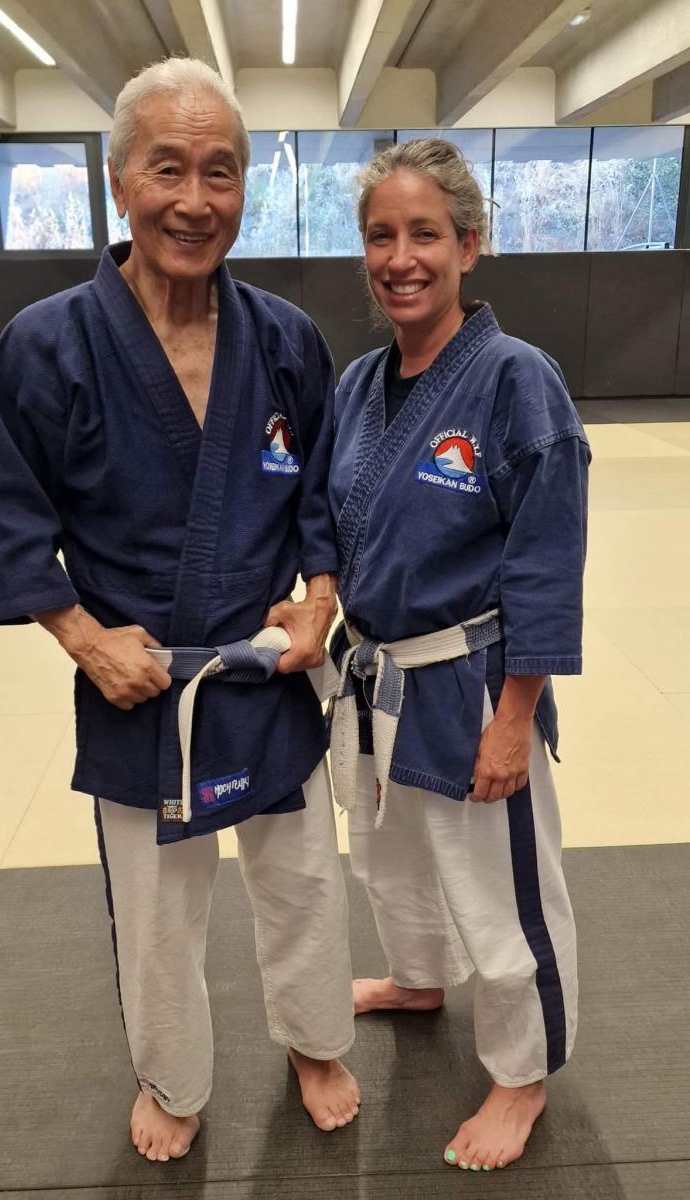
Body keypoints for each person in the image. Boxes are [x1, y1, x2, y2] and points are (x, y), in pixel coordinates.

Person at [0, 57, 360, 1163]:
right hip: (140, 677)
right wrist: (85, 641)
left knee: (302, 881)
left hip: (264, 665)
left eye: (219, 171)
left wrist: (319, 602)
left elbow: (323, 499)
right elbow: (6, 518)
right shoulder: (44, 344)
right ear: (117, 180)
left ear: (245, 188)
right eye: (167, 168)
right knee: (154, 910)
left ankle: (314, 1039)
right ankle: (172, 1075)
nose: (194, 199)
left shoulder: (285, 338)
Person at [328, 138, 590, 1173]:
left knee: (499, 888)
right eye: (380, 236)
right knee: (389, 858)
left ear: (469, 245)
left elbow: (545, 560)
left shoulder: (517, 379)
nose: (399, 258)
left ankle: (522, 1073)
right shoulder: (358, 383)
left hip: (472, 680)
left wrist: (515, 715)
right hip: (376, 676)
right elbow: (328, 525)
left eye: (424, 234)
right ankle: (416, 977)